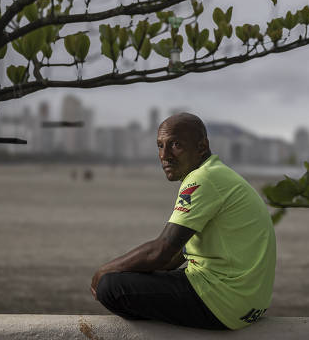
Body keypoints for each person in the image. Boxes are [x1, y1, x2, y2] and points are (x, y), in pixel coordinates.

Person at [90, 112, 276, 330]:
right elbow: (175, 256)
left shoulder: (203, 178)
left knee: (110, 287)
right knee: (134, 275)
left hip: (224, 301)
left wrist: (102, 271)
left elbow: (161, 251)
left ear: (201, 147)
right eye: (160, 146)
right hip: (250, 305)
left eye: (175, 144)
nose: (164, 155)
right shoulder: (217, 173)